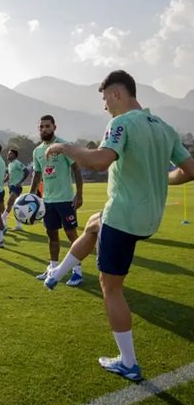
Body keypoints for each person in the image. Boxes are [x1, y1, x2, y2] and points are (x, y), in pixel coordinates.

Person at [43, 70, 194, 381]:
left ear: (116, 94)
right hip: (148, 220)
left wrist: (66, 148)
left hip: (124, 218)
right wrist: (161, 176)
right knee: (93, 224)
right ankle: (56, 274)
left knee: (111, 288)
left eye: (104, 99)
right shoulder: (164, 127)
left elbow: (100, 160)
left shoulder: (120, 123)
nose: (104, 106)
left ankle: (128, 362)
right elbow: (190, 170)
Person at [29, 115, 84, 286]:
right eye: (41, 127)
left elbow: (76, 169)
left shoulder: (63, 146)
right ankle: (53, 268)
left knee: (71, 234)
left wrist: (79, 194)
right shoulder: (37, 151)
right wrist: (31, 196)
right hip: (48, 201)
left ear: (54, 127)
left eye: (47, 126)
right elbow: (37, 174)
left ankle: (77, 272)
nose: (44, 129)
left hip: (65, 199)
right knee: (51, 234)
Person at [2, 149, 29, 230]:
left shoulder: (17, 163)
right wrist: (2, 181)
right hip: (11, 187)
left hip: (16, 187)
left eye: (10, 154)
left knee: (9, 203)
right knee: (15, 206)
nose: (8, 155)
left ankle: (2, 219)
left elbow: (26, 171)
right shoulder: (10, 164)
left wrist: (20, 182)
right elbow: (8, 175)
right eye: (8, 154)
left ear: (14, 155)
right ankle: (19, 225)